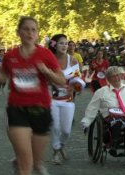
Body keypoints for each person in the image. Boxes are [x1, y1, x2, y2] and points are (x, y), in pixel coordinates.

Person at [0, 16, 66, 175]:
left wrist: (46, 71)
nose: (30, 33)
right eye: (26, 29)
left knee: (35, 161)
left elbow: (61, 81)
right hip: (17, 109)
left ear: (37, 34)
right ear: (19, 32)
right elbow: (3, 74)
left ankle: (28, 163)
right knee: (26, 162)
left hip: (40, 110)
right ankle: (23, 163)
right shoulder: (10, 56)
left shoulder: (45, 54)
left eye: (34, 30)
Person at [81, 66, 125, 156]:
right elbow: (92, 108)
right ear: (108, 79)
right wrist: (86, 122)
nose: (117, 78)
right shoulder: (101, 92)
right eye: (114, 76)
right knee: (117, 122)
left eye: (118, 75)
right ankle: (113, 144)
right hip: (110, 116)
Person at [48, 34, 85, 165]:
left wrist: (77, 87)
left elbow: (77, 80)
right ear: (54, 45)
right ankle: (56, 153)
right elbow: (44, 79)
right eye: (61, 43)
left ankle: (61, 145)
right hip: (52, 99)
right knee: (56, 128)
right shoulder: (50, 60)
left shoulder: (73, 60)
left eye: (66, 43)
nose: (64, 46)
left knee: (66, 131)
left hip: (68, 100)